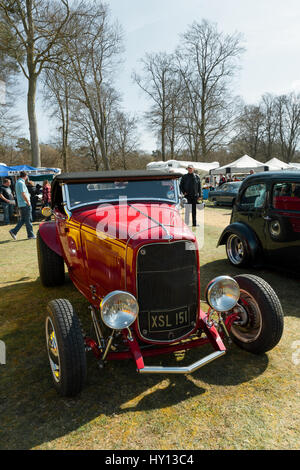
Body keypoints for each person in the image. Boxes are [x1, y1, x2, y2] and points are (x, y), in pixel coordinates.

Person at [9, 171, 35, 240]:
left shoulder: (18, 182)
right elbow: (23, 194)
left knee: (23, 219)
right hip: (25, 204)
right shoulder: (21, 183)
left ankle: (14, 231)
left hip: (21, 204)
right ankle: (31, 235)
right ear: (25, 176)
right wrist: (28, 202)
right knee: (28, 220)